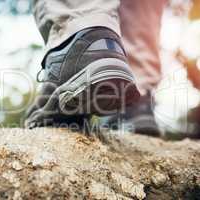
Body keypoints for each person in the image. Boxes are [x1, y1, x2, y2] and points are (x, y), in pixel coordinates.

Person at [25, 0, 167, 135]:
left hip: (80, 37)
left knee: (83, 13)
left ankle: (78, 37)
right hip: (127, 55)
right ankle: (138, 101)